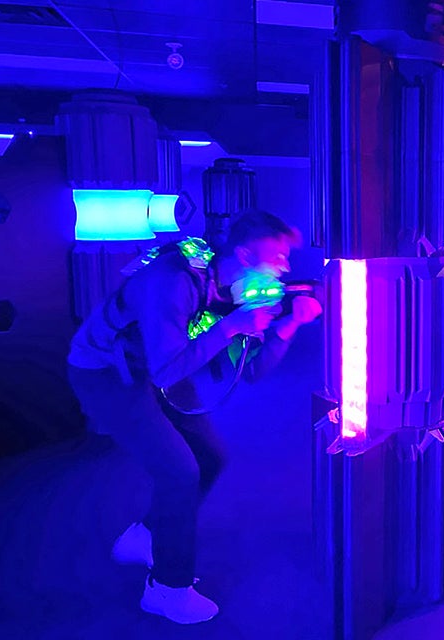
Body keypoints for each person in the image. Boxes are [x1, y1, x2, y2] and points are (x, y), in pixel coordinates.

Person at [67, 209, 322, 624]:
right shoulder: (171, 281)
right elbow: (168, 369)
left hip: (154, 368)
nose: (286, 269)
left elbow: (253, 371)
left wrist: (288, 326)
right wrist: (231, 327)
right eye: (278, 258)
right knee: (179, 471)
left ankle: (146, 535)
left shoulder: (234, 289)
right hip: (105, 374)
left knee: (211, 456)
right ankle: (167, 588)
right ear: (243, 253)